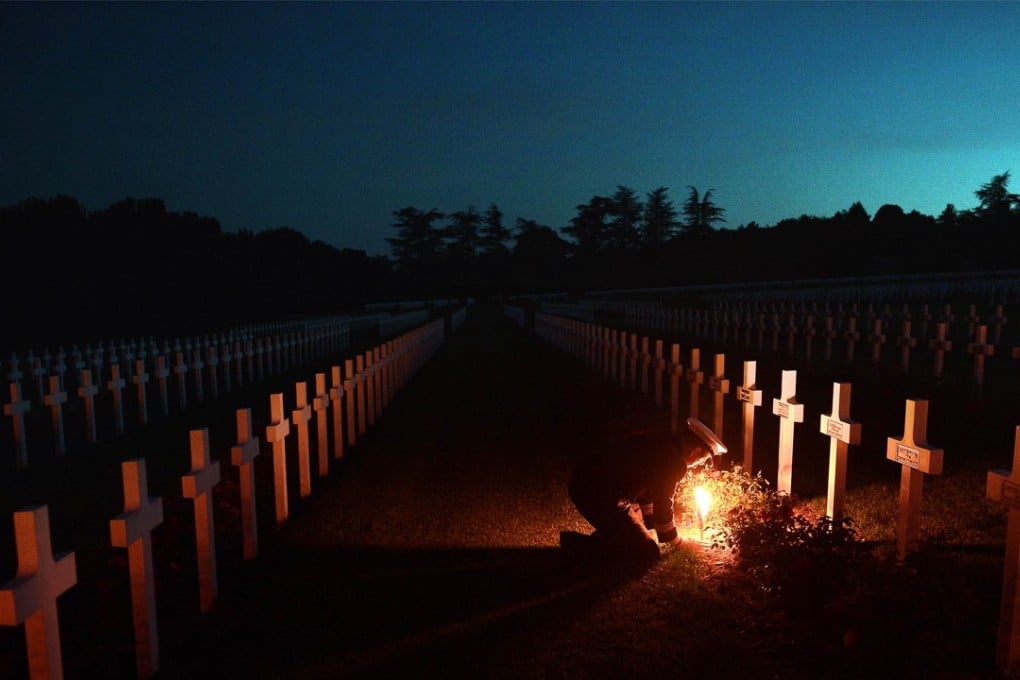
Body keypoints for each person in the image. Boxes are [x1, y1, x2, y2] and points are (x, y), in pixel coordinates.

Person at [566, 418, 724, 563]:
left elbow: (648, 492)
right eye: (702, 460)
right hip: (597, 493)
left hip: (590, 482)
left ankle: (611, 535)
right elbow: (663, 503)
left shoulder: (664, 442)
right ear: (695, 451)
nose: (698, 465)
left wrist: (650, 525)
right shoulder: (674, 462)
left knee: (636, 525)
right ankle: (578, 546)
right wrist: (678, 542)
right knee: (647, 553)